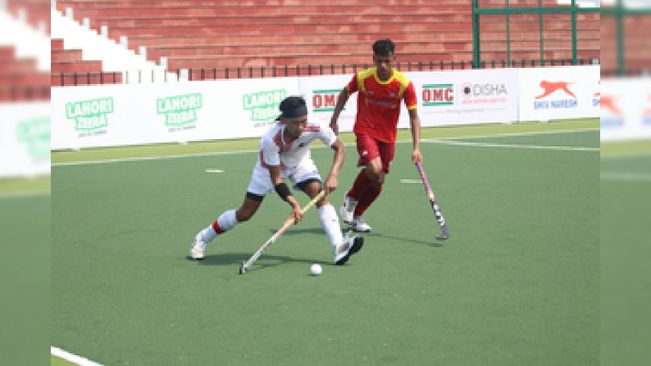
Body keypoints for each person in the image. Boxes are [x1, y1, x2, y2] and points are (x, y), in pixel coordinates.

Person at [190, 96, 364, 265]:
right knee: (245, 213)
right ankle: (203, 238)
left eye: (303, 121)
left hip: (299, 162)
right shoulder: (270, 139)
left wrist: (333, 174)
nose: (301, 127)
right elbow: (276, 178)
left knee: (317, 192)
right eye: (295, 123)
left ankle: (338, 247)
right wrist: (295, 204)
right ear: (283, 120)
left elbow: (340, 148)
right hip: (269, 169)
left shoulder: (316, 126)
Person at [330, 39, 422, 232]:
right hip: (365, 129)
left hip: (388, 137)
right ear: (373, 58)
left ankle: (357, 216)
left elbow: (414, 117)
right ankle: (351, 197)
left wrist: (416, 148)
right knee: (374, 168)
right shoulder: (363, 78)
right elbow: (345, 93)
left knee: (379, 179)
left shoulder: (403, 84)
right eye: (378, 61)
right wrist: (334, 119)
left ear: (394, 59)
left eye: (386, 61)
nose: (382, 65)